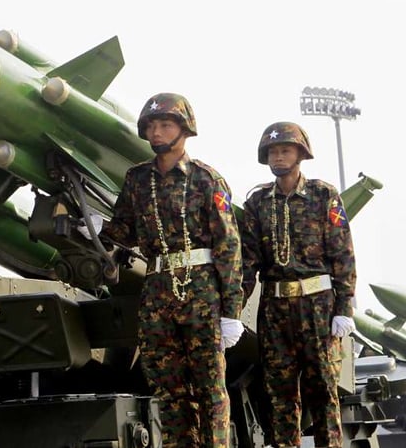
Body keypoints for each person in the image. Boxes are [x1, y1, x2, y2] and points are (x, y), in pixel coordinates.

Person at [103, 92, 244, 447]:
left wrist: (231, 312)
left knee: (210, 388)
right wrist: (82, 226)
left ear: (184, 130)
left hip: (200, 292)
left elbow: (228, 247)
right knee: (168, 388)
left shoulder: (206, 179)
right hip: (157, 291)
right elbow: (122, 230)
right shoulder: (137, 180)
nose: (157, 133)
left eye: (165, 125)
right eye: (151, 126)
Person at [240, 122, 356, 448]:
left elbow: (343, 254)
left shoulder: (324, 196)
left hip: (318, 308)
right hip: (275, 310)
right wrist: (232, 312)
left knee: (324, 394)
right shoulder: (257, 203)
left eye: (285, 150)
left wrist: (344, 308)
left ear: (300, 154)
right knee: (279, 398)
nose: (278, 156)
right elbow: (248, 265)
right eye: (273, 151)